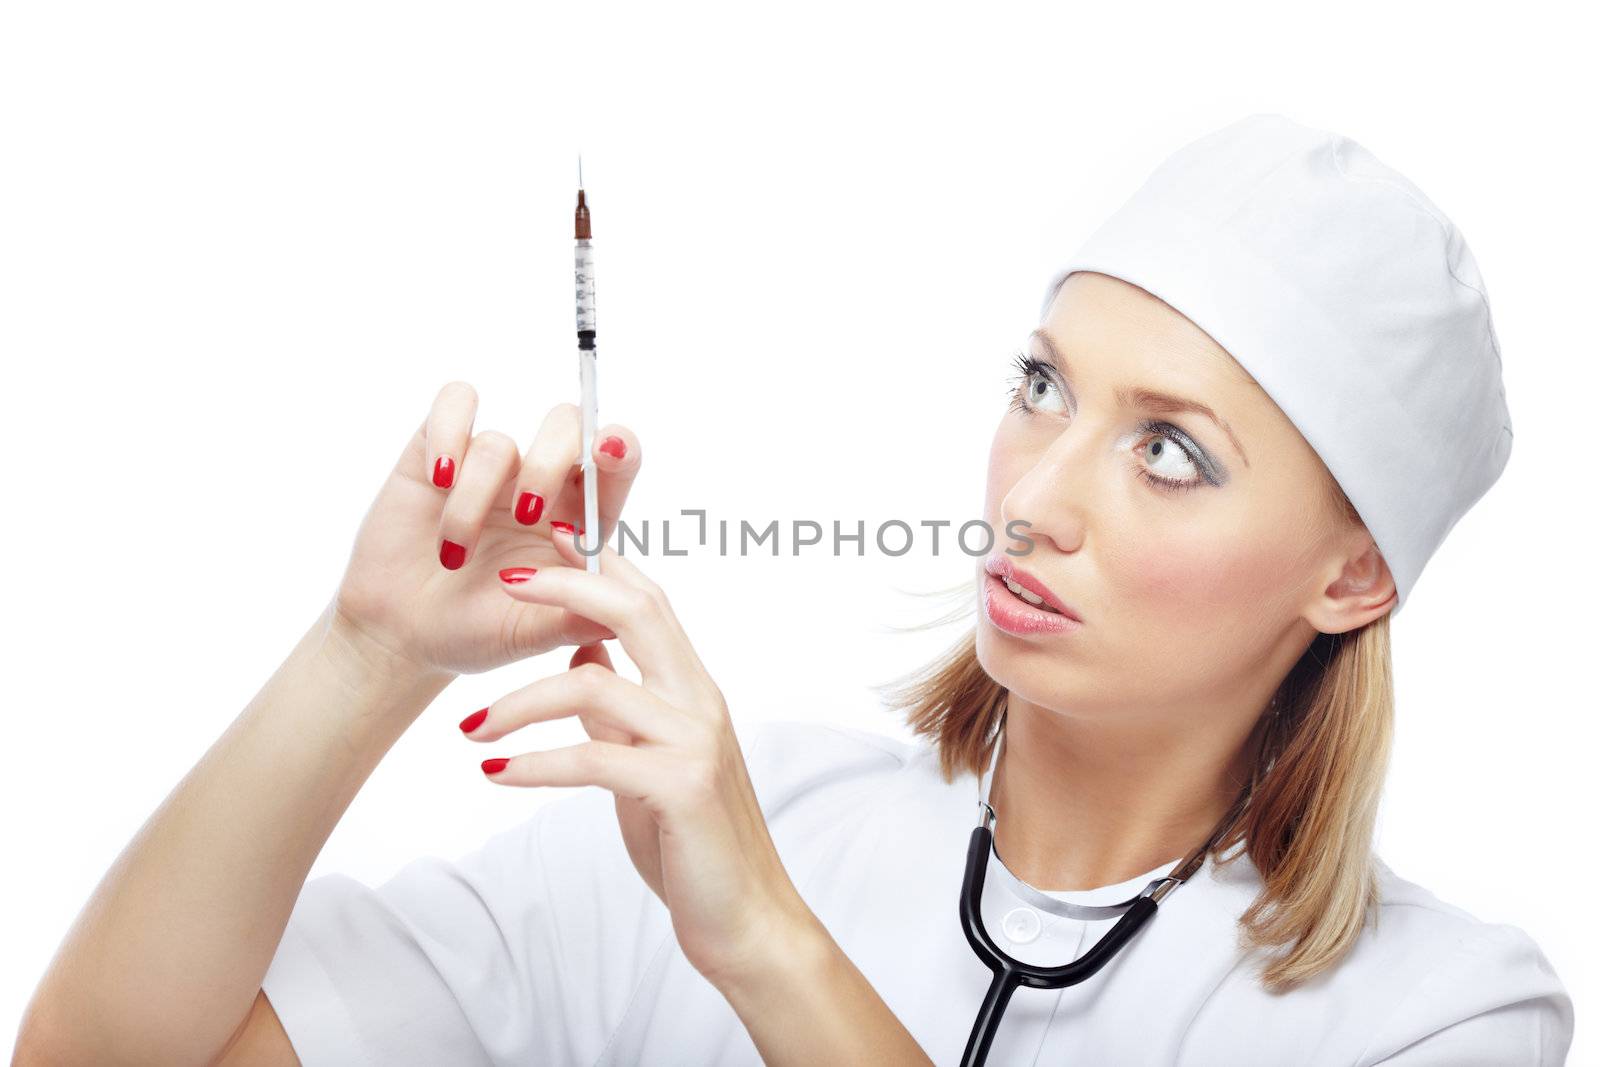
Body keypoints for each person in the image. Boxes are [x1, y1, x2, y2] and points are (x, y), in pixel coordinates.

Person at [16, 114, 1573, 1066]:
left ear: (1353, 572)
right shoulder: (716, 830)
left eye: (1171, 454)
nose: (1032, 497)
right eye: (1041, 384)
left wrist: (766, 943)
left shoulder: (1444, 1020)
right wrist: (363, 657)